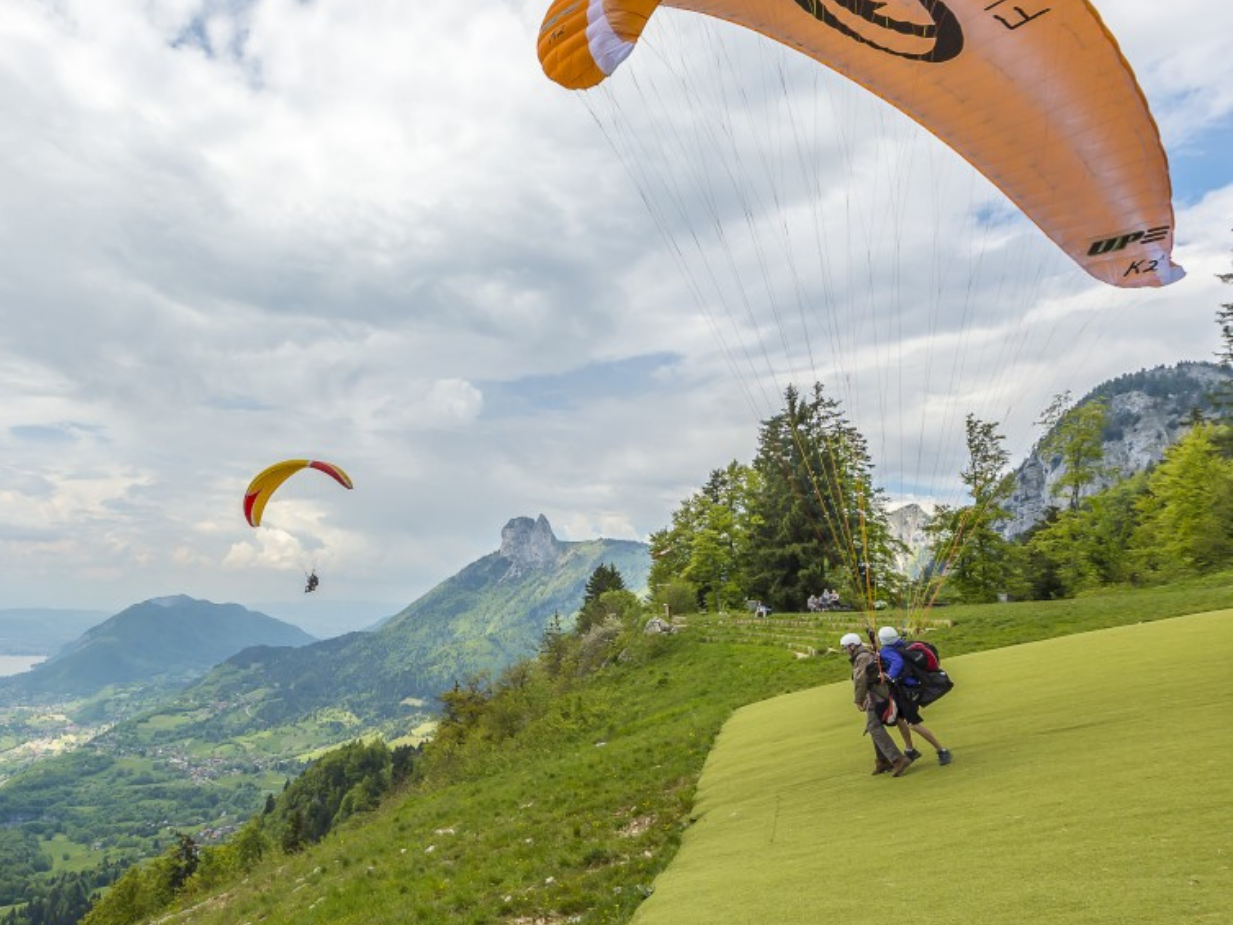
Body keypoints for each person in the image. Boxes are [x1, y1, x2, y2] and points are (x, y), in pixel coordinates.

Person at [876, 626, 952, 766]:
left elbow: (897, 663)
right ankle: (910, 750)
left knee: (913, 724)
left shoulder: (887, 650)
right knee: (898, 718)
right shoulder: (902, 644)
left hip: (908, 691)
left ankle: (942, 750)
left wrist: (889, 676)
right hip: (905, 688)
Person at [839, 632, 911, 777]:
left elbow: (860, 680)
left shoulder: (862, 657)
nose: (845, 651)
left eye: (845, 647)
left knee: (873, 726)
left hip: (876, 696)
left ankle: (898, 759)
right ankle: (882, 760)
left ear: (852, 646)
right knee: (873, 726)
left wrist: (858, 700)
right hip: (875, 694)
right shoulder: (864, 655)